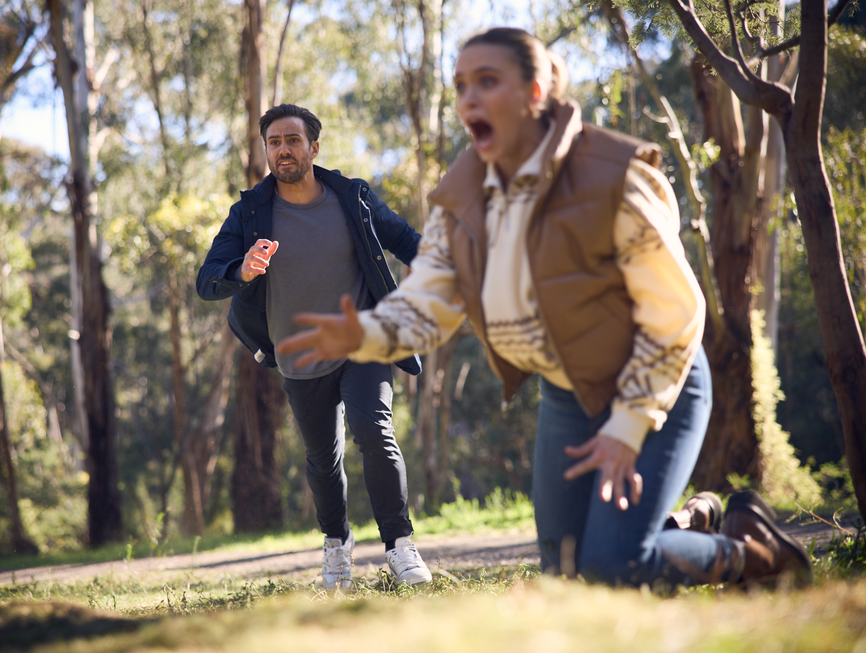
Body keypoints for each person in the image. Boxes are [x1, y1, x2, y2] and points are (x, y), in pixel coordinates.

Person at [276, 28, 813, 588]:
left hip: (658, 380)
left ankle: (753, 553)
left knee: (612, 566)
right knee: (565, 568)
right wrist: (362, 333)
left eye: (488, 81)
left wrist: (628, 426)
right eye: (461, 86)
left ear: (536, 92)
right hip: (568, 393)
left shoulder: (616, 176)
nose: (468, 99)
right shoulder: (465, 196)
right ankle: (690, 524)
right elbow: (430, 301)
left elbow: (676, 314)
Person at [196, 104, 432, 590]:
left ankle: (400, 546)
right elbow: (207, 279)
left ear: (313, 147)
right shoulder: (251, 213)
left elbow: (405, 239)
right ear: (266, 151)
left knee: (374, 428)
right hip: (299, 354)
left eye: (292, 140)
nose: (283, 149)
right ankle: (336, 547)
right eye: (274, 142)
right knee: (323, 458)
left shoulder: (352, 197)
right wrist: (242, 270)